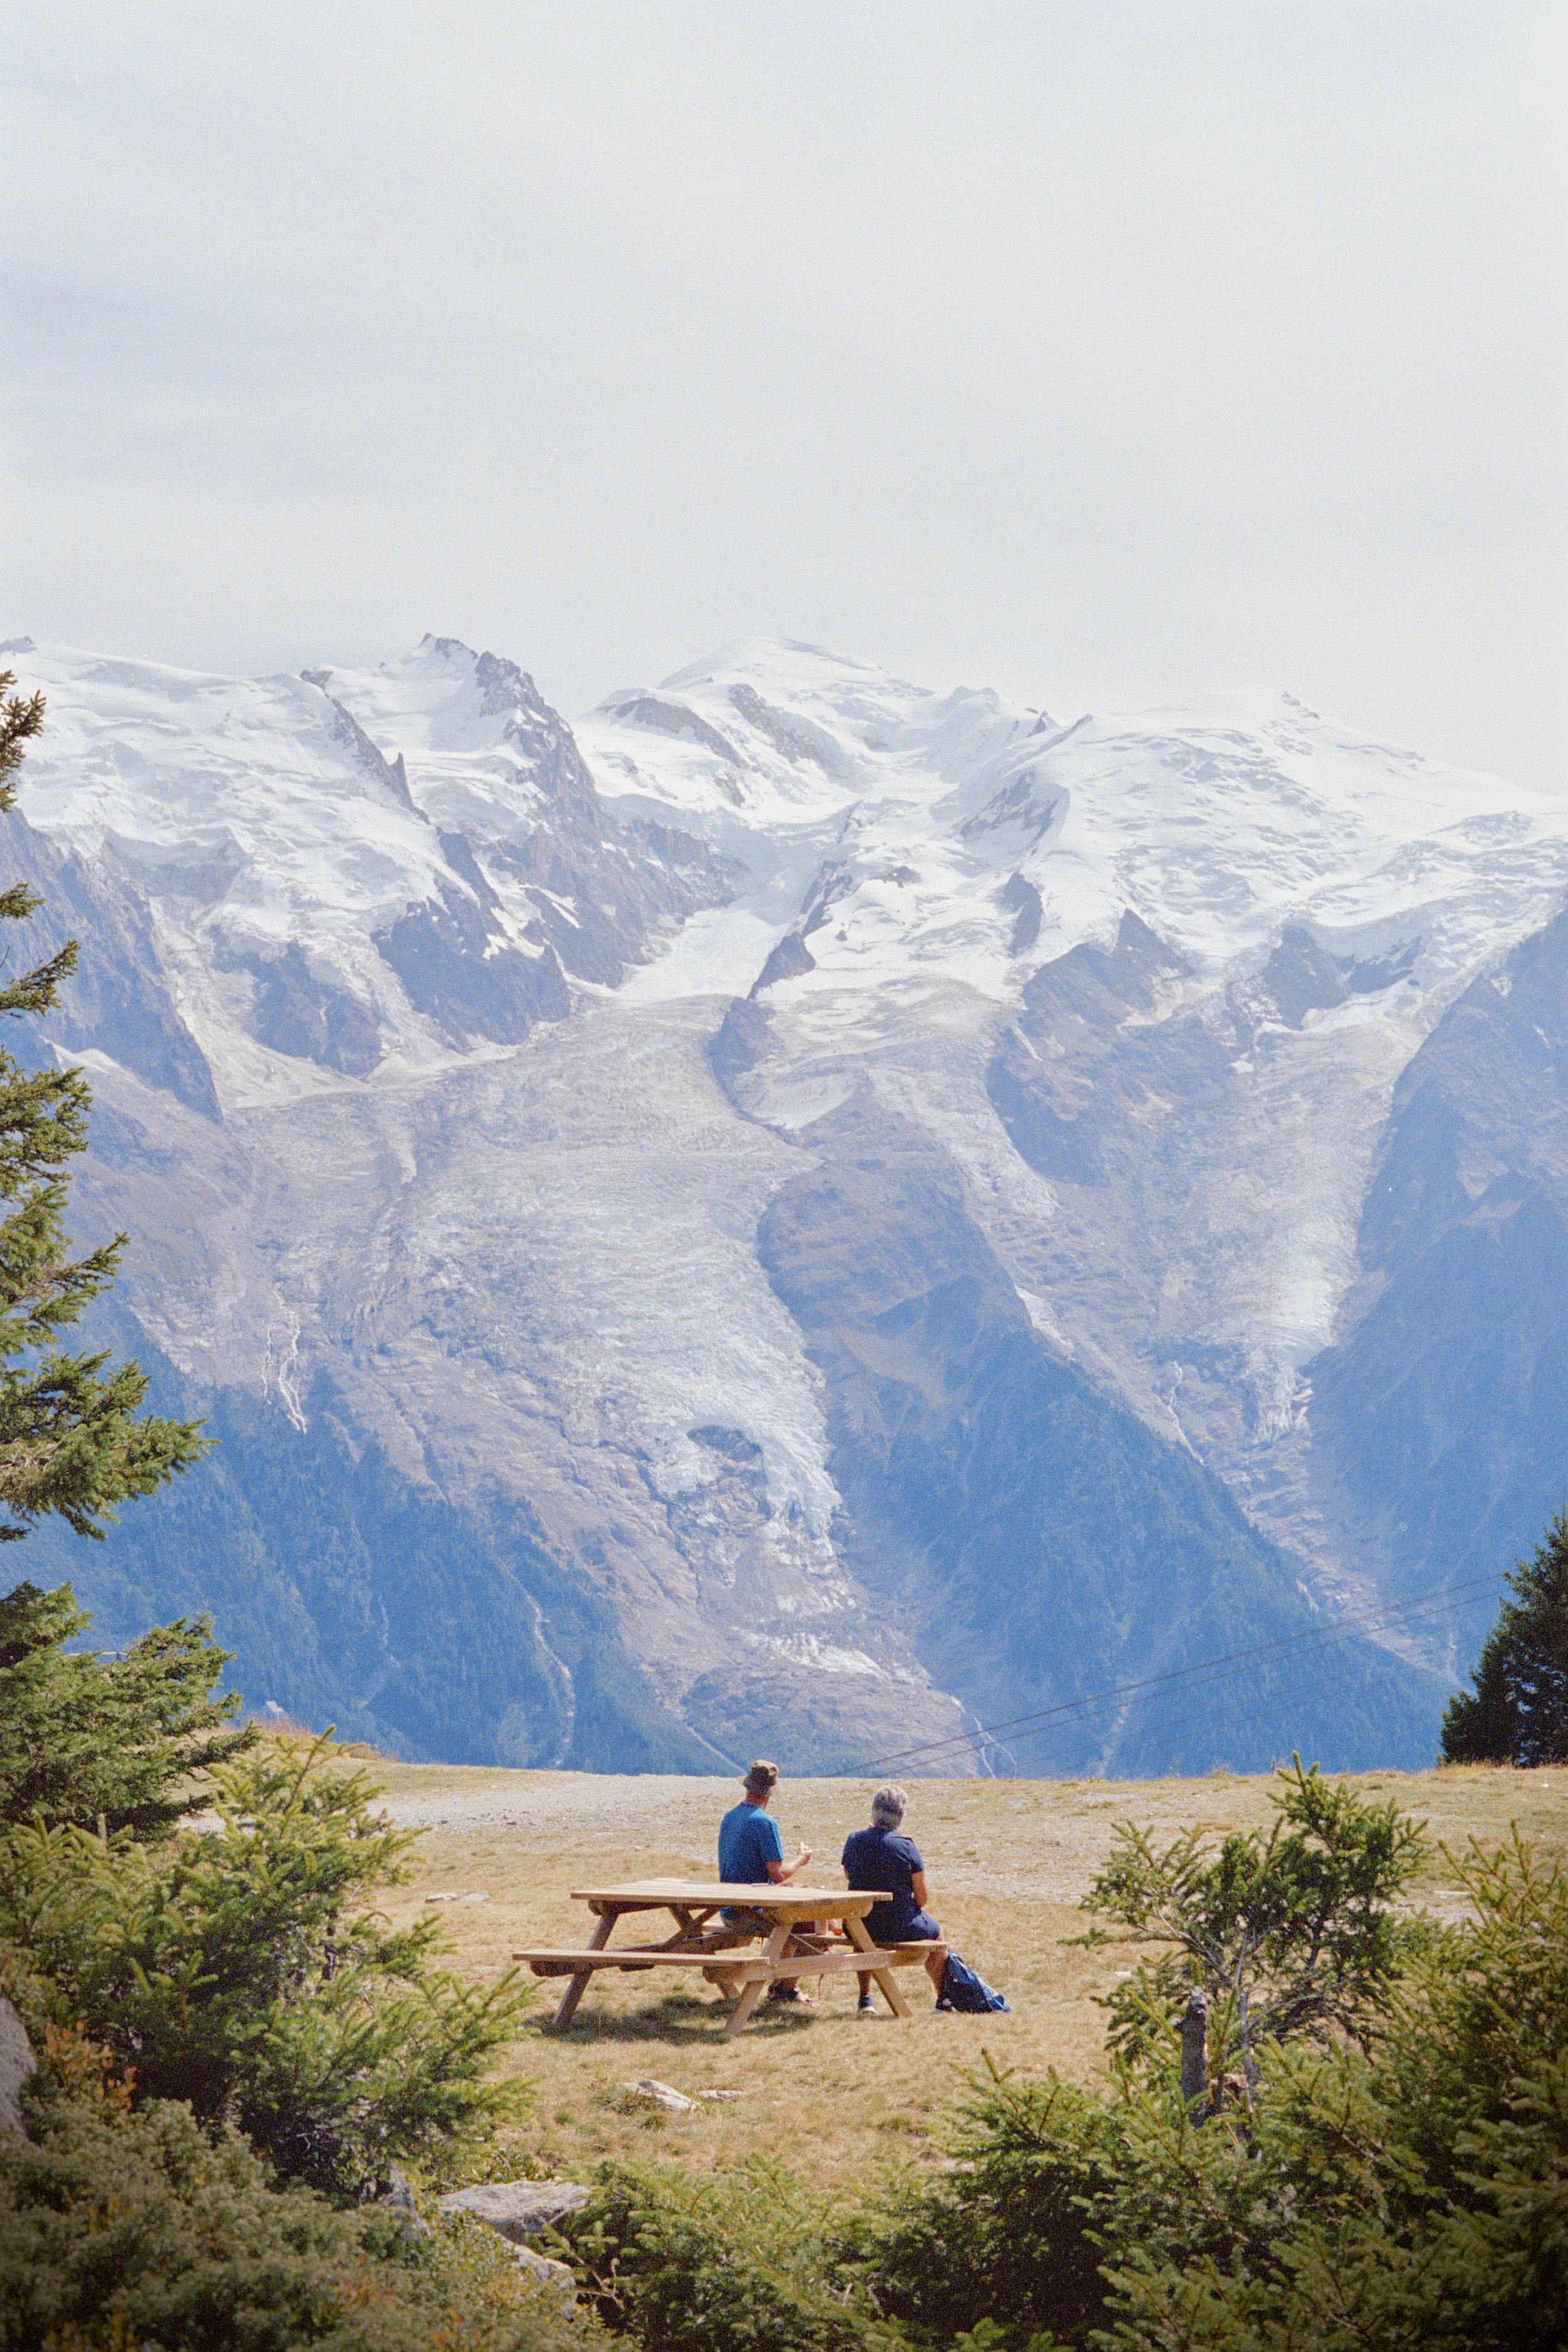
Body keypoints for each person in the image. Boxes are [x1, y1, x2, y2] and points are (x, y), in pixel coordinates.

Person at [717, 1759, 816, 2005]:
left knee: (797, 1919)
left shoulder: (729, 1817)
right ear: (770, 1792)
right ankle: (785, 1989)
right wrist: (801, 1860)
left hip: (727, 1909)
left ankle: (781, 1988)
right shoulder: (765, 1823)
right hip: (751, 1912)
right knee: (812, 1923)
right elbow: (778, 1874)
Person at [841, 1783, 945, 2013]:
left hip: (861, 1923)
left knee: (862, 1935)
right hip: (898, 1926)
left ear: (874, 1812)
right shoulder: (905, 1846)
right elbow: (921, 1897)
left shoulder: (855, 1840)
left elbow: (849, 1874)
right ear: (900, 1816)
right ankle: (943, 1999)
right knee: (938, 1936)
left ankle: (865, 1997)